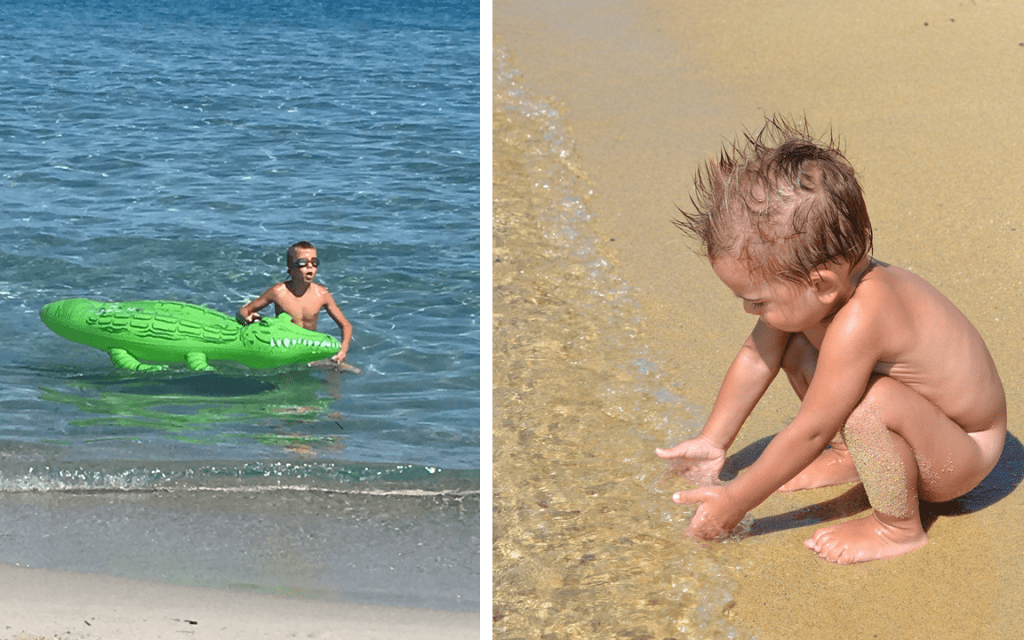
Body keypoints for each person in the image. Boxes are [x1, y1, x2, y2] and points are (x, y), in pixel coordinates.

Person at [656, 117, 1006, 564]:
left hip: (963, 453)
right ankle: (853, 456)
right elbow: (755, 357)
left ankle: (896, 527)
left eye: (756, 301)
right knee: (795, 344)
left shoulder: (865, 315)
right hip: (922, 424)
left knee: (866, 406)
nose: (749, 311)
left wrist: (735, 501)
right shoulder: (815, 290)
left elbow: (812, 428)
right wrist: (713, 440)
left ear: (821, 284)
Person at [238, 241, 352, 366]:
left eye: (315, 263)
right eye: (302, 263)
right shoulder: (278, 292)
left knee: (350, 372)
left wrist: (343, 350)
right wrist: (250, 320)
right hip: (285, 350)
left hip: (310, 351)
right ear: (290, 268)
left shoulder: (322, 294)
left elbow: (346, 325)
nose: (310, 267)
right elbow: (244, 311)